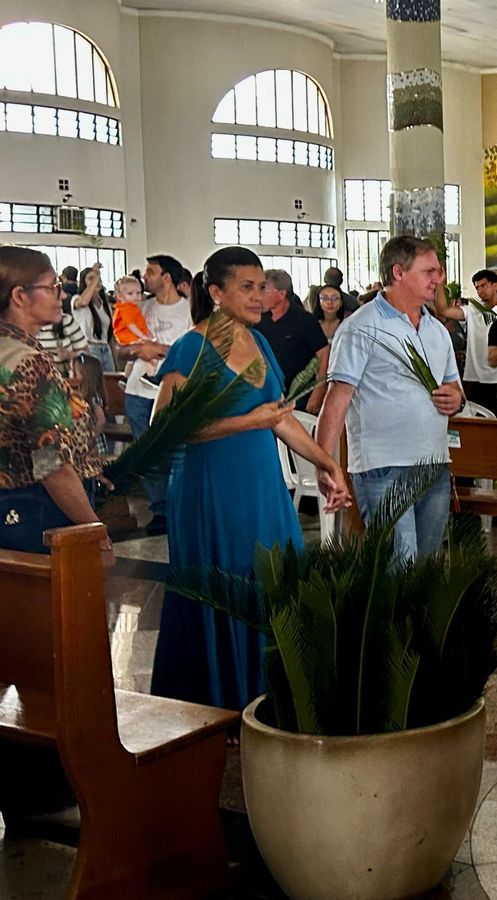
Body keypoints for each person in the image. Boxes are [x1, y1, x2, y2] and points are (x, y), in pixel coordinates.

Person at [150, 247, 350, 710]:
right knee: (228, 580)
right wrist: (247, 422)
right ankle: (220, 700)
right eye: (247, 287)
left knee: (276, 574)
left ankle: (271, 696)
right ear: (216, 292)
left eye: (262, 287)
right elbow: (164, 427)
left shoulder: (257, 342)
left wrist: (325, 462)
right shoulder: (192, 347)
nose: (259, 296)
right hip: (210, 488)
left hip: (261, 486)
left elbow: (279, 418)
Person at [318, 236, 463, 563]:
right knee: (399, 564)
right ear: (398, 272)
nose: (438, 279)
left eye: (438, 271)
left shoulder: (437, 330)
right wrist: (326, 465)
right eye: (429, 271)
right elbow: (337, 399)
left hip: (433, 463)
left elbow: (454, 388)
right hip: (382, 466)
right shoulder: (361, 327)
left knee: (425, 567)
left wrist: (456, 400)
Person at [0, 247, 109, 557]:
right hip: (33, 509)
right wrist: (94, 530)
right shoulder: (30, 362)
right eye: (52, 287)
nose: (61, 295)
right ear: (19, 296)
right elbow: (52, 465)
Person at [127, 254, 193, 536]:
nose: (145, 277)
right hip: (138, 390)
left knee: (176, 449)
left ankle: (179, 506)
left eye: (150, 272)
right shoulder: (141, 309)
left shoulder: (189, 311)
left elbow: (196, 350)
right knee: (147, 450)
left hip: (174, 390)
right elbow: (121, 346)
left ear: (166, 278)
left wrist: (160, 350)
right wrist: (134, 349)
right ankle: (159, 509)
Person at [255, 269, 330, 413]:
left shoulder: (305, 320)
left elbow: (324, 354)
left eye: (264, 290)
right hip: (267, 396)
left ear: (281, 294)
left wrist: (318, 392)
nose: (259, 296)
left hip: (299, 397)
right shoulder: (258, 320)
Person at [431, 269, 497, 416]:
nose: (480, 291)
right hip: (474, 377)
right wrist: (440, 283)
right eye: (477, 288)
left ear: (495, 285)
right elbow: (444, 311)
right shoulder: (473, 309)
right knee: (475, 421)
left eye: (484, 286)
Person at [71, 264, 115, 373]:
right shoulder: (76, 299)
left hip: (105, 348)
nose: (96, 282)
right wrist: (96, 276)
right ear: (83, 282)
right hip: (89, 347)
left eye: (98, 279)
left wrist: (114, 356)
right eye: (91, 278)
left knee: (110, 380)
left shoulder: (104, 304)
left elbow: (109, 333)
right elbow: (83, 302)